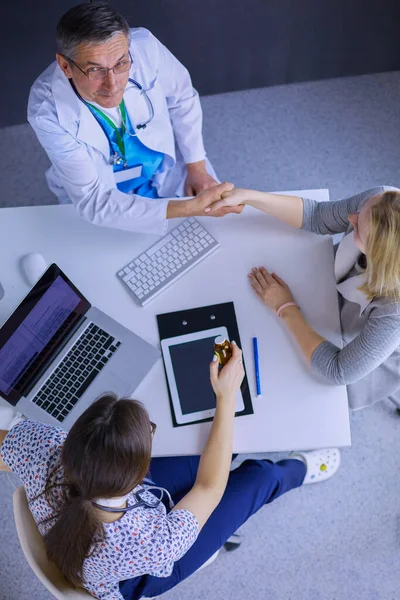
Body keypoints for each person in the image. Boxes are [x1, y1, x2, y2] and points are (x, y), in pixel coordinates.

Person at [0, 342, 339, 600]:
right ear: (138, 475)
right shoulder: (153, 543)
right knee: (261, 478)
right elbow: (209, 487)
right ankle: (300, 469)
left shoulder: (45, 445)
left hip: (111, 527)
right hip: (138, 575)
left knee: (212, 445)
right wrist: (226, 399)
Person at [27, 3, 242, 235]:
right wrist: (190, 208)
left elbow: (182, 99)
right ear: (65, 66)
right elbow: (95, 202)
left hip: (167, 168)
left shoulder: (145, 48)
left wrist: (197, 167)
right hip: (103, 191)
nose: (113, 84)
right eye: (95, 70)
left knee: (216, 234)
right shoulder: (47, 110)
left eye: (121, 64)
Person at [208, 186, 400, 410]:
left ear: (379, 256)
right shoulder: (382, 202)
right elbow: (317, 215)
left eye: (357, 230)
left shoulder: (394, 313)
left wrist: (285, 308)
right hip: (330, 293)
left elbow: (339, 370)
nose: (351, 218)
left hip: (358, 341)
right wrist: (251, 197)